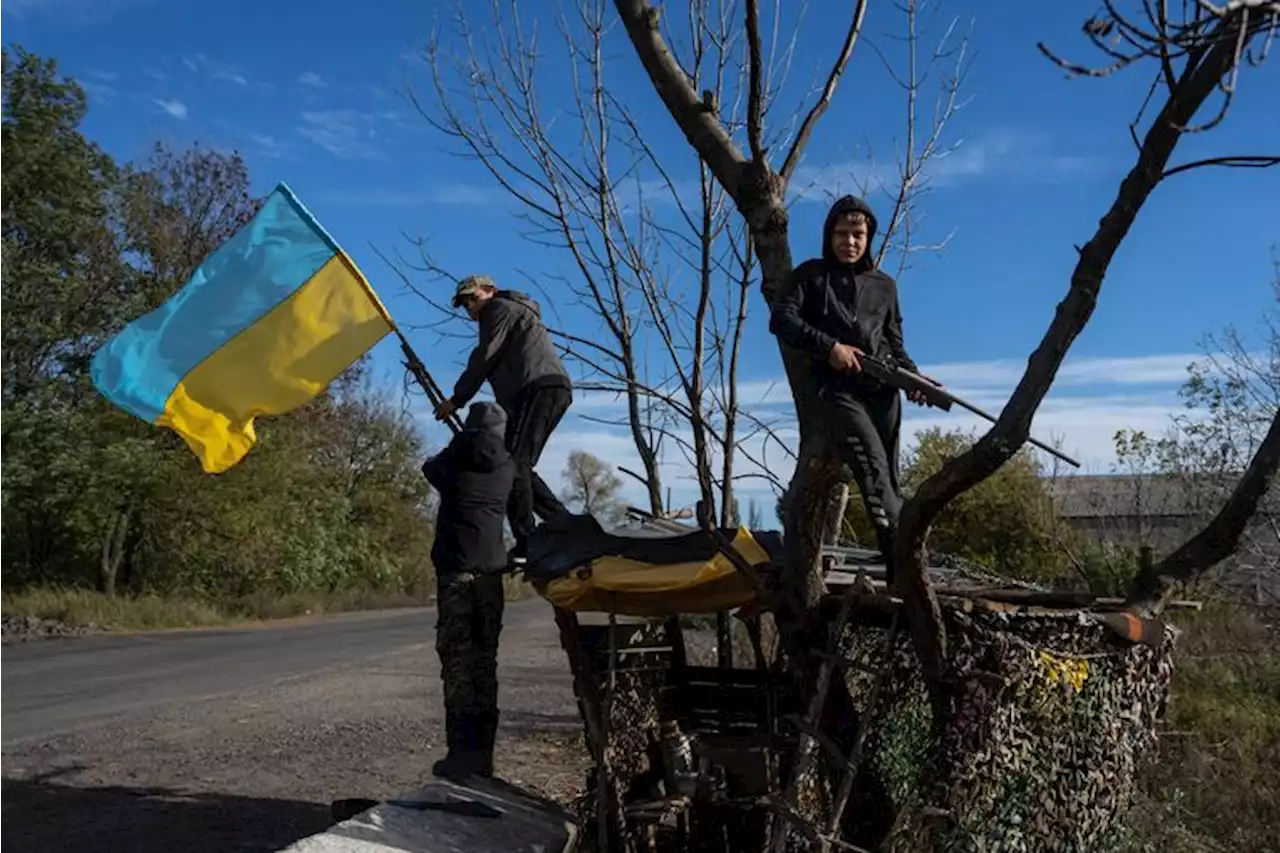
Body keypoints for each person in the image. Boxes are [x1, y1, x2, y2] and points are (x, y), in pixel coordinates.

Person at [768, 195, 940, 574]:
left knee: (890, 484)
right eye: (842, 233)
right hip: (836, 392)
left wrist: (915, 380)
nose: (850, 241)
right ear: (829, 235)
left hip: (883, 395)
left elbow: (895, 344)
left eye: (858, 234)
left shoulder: (885, 286)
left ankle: (901, 572)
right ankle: (910, 568)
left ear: (868, 237)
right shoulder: (810, 277)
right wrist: (829, 347)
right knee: (873, 469)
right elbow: (781, 320)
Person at [434, 275, 573, 561]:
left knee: (512, 464)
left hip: (538, 388)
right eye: (463, 304)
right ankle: (564, 525)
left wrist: (456, 399)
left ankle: (528, 541)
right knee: (515, 463)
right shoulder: (509, 313)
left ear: (489, 291)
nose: (470, 308)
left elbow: (485, 356)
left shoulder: (498, 309)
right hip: (540, 390)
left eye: (472, 298)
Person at [422, 401, 517, 780]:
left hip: (456, 576)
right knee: (485, 663)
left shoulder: (451, 465)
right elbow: (522, 513)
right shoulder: (510, 467)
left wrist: (458, 442)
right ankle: (484, 759)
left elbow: (429, 467)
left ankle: (460, 756)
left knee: (458, 664)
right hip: (492, 576)